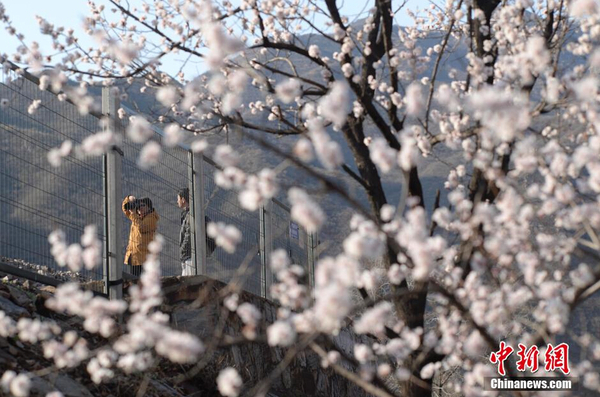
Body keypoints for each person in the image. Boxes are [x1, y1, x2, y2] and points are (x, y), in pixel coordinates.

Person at [177, 187, 216, 276]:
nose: (177, 201)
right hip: (192, 256)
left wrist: (183, 250)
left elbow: (189, 235)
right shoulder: (190, 214)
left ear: (183, 200)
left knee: (190, 284)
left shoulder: (191, 215)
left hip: (190, 257)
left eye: (178, 199)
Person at [122, 195, 159, 277]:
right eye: (138, 205)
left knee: (143, 284)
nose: (139, 208)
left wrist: (134, 214)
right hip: (134, 257)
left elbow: (141, 228)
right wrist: (129, 198)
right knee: (134, 282)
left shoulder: (152, 218)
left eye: (142, 205)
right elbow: (125, 209)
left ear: (149, 207)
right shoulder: (137, 217)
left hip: (144, 258)